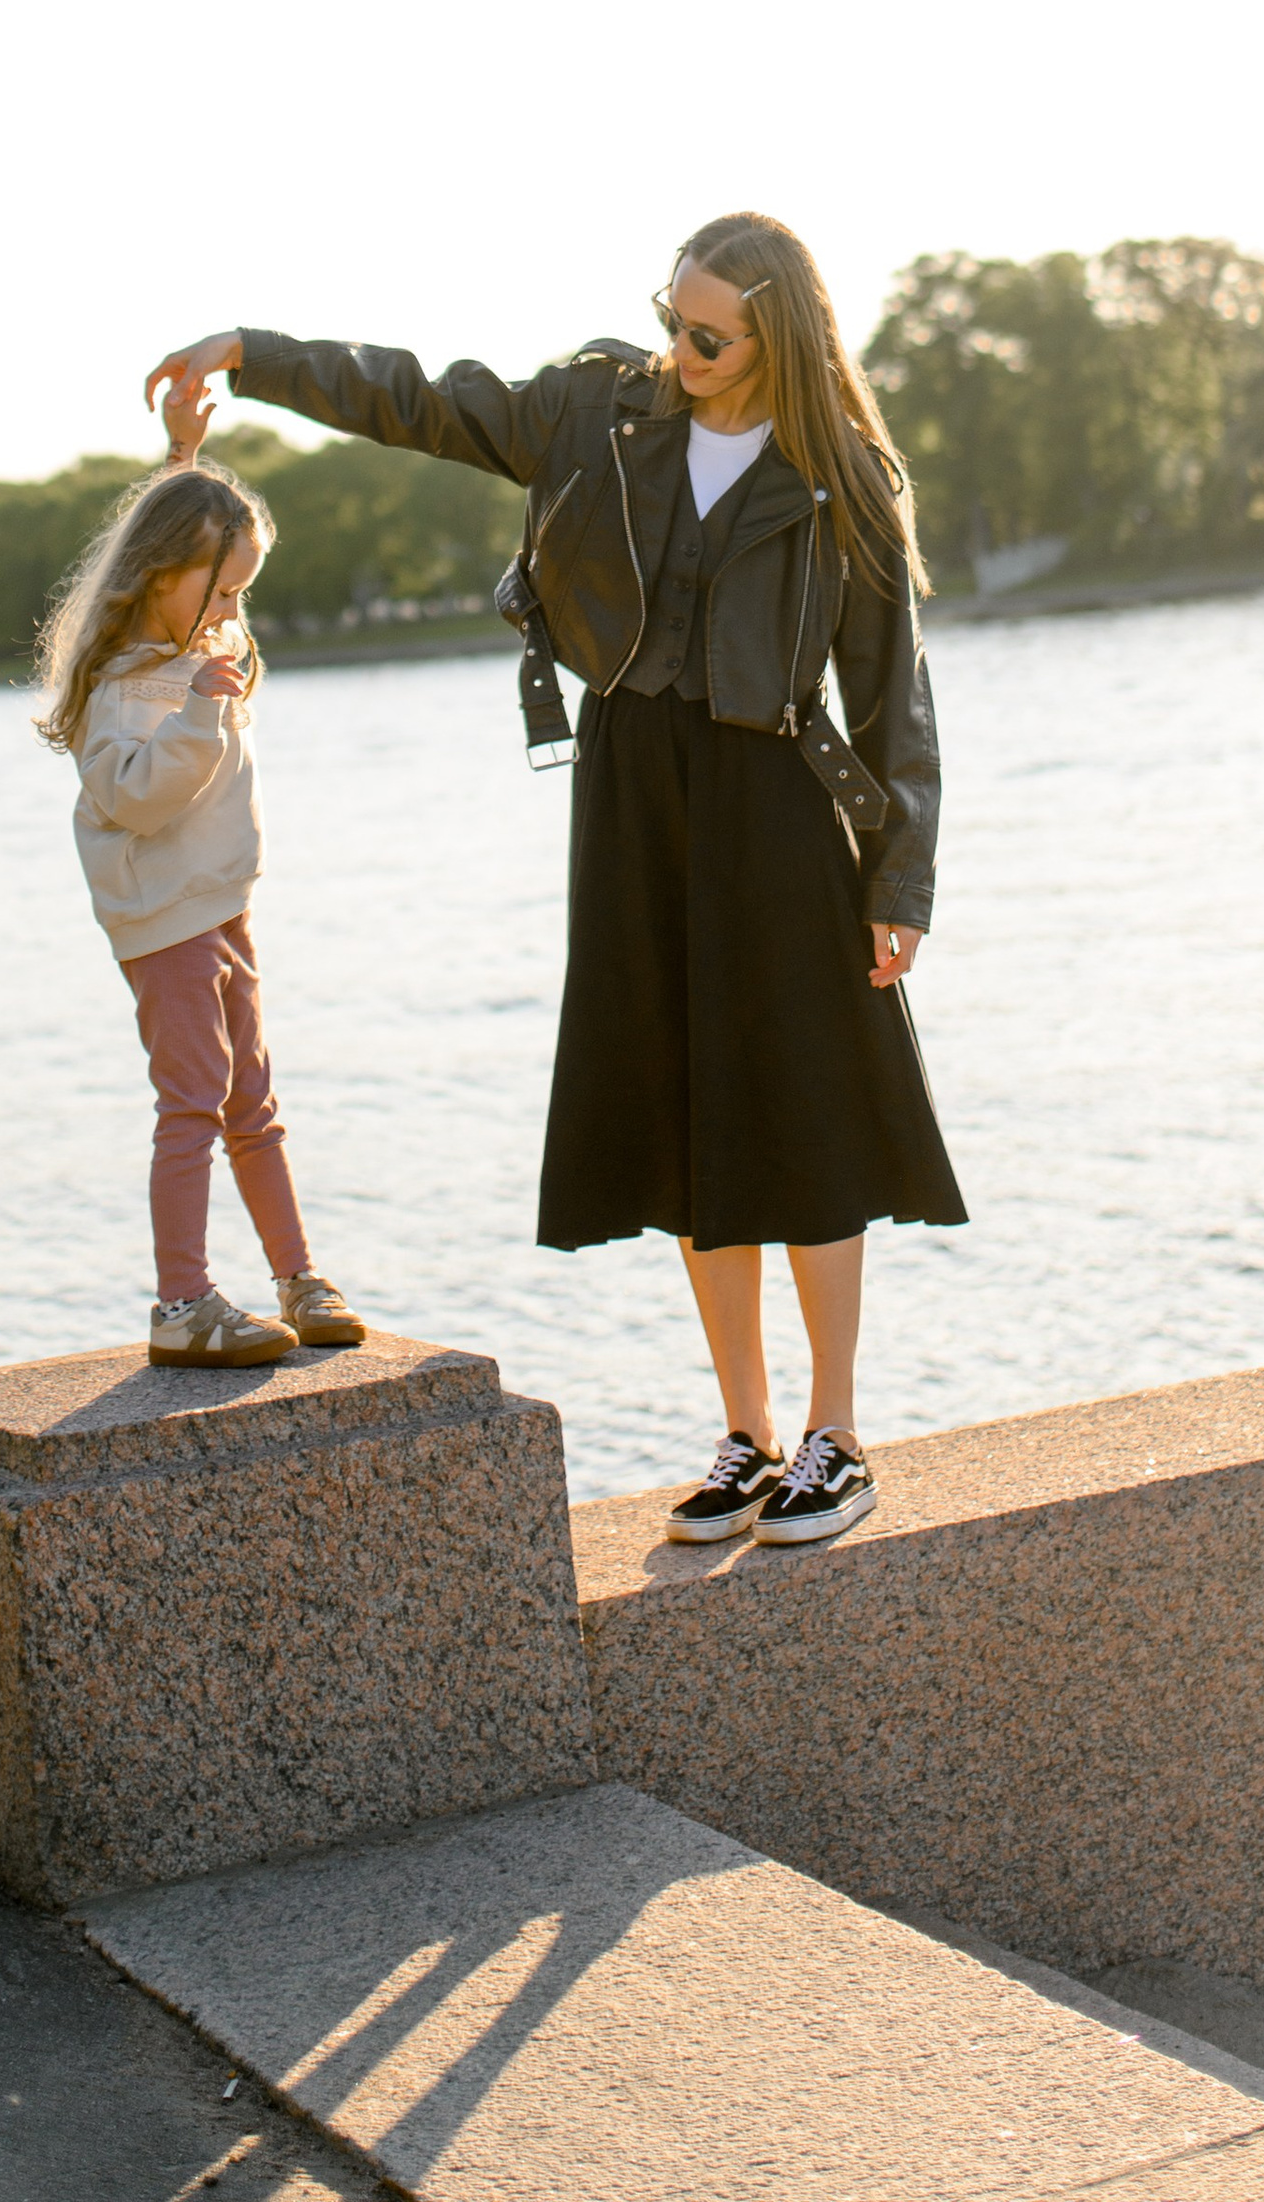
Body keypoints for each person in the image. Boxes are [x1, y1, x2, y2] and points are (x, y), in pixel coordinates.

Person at [145, 211, 962, 1535]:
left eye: (709, 336)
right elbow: (420, 400)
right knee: (693, 1122)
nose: (680, 350)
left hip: (777, 805)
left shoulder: (847, 478)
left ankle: (837, 1434)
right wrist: (250, 354)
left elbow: (893, 697)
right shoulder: (597, 415)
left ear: (780, 339)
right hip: (634, 792)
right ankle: (749, 1433)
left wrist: (899, 886)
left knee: (799, 1115)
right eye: (671, 318)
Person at [35, 402, 368, 1371]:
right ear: (161, 581)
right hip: (164, 923)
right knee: (194, 1101)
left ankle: (298, 1276)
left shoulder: (187, 643)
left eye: (238, 596)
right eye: (221, 596)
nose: (232, 615)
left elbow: (193, 536)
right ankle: (181, 1299)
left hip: (222, 909)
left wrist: (184, 454)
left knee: (252, 1102)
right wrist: (199, 717)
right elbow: (136, 798)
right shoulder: (127, 685)